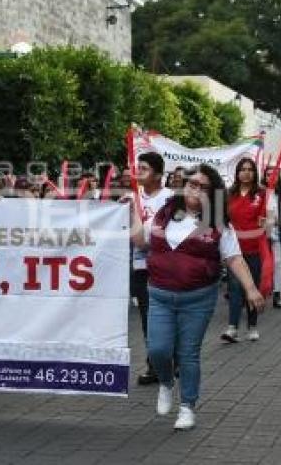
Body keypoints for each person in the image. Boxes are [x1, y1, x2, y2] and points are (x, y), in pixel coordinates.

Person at [129, 164, 265, 430]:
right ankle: (167, 383)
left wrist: (251, 288)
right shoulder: (163, 214)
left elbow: (234, 258)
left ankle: (187, 407)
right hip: (159, 295)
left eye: (203, 187)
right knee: (158, 350)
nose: (196, 190)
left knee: (188, 354)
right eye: (192, 184)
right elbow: (142, 243)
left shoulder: (217, 223)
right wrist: (131, 215)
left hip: (198, 299)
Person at [127, 152, 174, 385]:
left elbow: (156, 236)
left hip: (166, 266)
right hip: (141, 266)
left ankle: (173, 358)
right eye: (138, 168)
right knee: (148, 317)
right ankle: (154, 364)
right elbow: (137, 242)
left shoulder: (171, 199)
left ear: (157, 173)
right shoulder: (131, 199)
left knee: (168, 315)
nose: (138, 172)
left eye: (144, 168)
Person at [222, 158, 265, 342]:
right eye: (242, 169)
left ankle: (252, 326)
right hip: (233, 250)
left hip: (253, 248)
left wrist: (267, 221)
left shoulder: (261, 194)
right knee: (234, 288)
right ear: (237, 172)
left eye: (250, 169)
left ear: (254, 173)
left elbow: (268, 219)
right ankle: (232, 327)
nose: (246, 172)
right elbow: (222, 218)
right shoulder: (229, 194)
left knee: (251, 286)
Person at [263, 167, 281, 308]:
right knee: (261, 264)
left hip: (278, 233)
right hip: (261, 233)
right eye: (268, 175)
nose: (271, 178)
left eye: (274, 175)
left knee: (278, 263)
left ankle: (277, 293)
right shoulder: (260, 193)